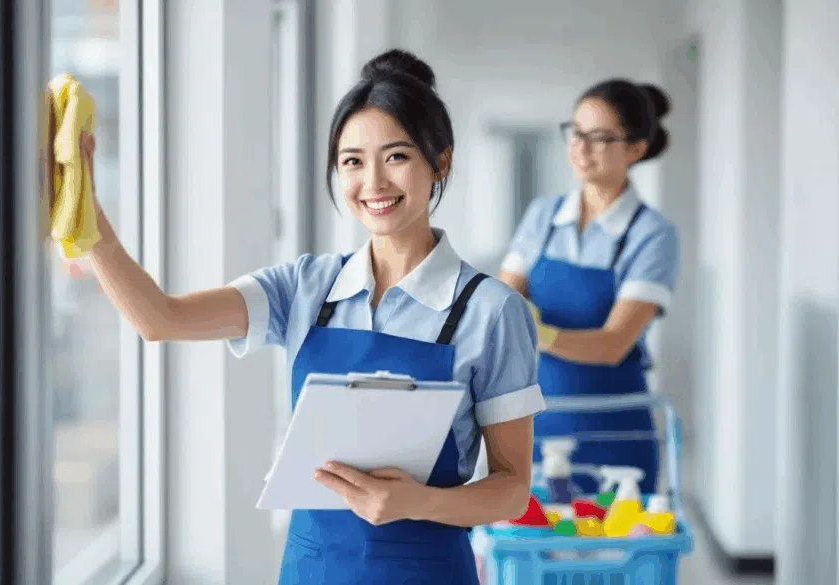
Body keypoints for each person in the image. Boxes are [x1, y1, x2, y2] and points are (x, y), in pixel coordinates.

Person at [75, 49, 545, 584]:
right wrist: (87, 217)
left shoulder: (491, 310)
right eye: (351, 161)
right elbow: (161, 318)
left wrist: (417, 501)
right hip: (311, 569)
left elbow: (511, 490)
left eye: (396, 157)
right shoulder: (305, 286)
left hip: (424, 570)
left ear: (441, 161)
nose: (373, 182)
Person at [497, 79, 680, 496]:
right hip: (535, 421)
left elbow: (613, 343)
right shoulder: (543, 215)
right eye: (576, 133)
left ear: (635, 148)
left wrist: (536, 332)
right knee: (533, 551)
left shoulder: (652, 235)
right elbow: (504, 299)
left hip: (613, 427)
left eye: (599, 138)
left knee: (616, 553)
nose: (581, 148)